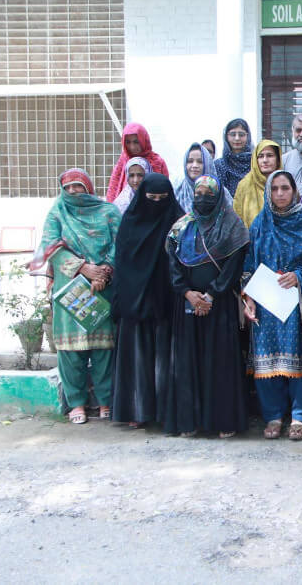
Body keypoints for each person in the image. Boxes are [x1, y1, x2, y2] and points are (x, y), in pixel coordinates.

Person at [29, 168, 120, 425]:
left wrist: (104, 272)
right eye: (67, 187)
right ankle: (77, 403)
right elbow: (51, 246)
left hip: (103, 287)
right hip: (69, 288)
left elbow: (120, 243)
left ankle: (105, 401)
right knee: (70, 351)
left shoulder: (109, 212)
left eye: (78, 186)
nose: (73, 191)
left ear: (88, 187)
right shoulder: (57, 212)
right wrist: (83, 268)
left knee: (103, 348)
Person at [163, 175, 250, 438]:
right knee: (188, 362)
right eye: (198, 193)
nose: (203, 198)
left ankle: (222, 420)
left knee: (220, 363)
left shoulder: (233, 226)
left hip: (220, 306)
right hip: (187, 305)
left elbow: (233, 266)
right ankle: (189, 421)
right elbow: (173, 264)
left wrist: (211, 294)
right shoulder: (181, 228)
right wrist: (188, 293)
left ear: (219, 196)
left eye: (209, 194)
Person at [242, 171, 302, 441]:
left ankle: (299, 416)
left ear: (295, 191)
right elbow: (249, 263)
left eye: (285, 188)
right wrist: (249, 297)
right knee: (267, 359)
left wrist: (298, 276)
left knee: (298, 356)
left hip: (297, 302)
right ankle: (273, 415)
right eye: (274, 189)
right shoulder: (260, 223)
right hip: (266, 301)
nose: (280, 194)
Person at [111, 173, 182, 428]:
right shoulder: (130, 222)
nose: (157, 204)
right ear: (142, 197)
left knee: (166, 361)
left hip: (167, 301)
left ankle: (165, 412)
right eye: (151, 198)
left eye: (162, 199)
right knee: (137, 358)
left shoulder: (178, 220)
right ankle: (137, 411)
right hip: (135, 301)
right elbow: (122, 262)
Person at [105, 123, 169, 203]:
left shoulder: (157, 162)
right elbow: (114, 187)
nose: (132, 147)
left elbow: (165, 190)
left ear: (144, 140)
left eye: (136, 142)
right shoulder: (123, 159)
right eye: (128, 142)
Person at [233, 139, 283, 227]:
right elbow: (236, 217)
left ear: (278, 160)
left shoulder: (285, 184)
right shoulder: (245, 184)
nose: (265, 160)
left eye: (270, 155)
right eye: (260, 156)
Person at [175, 142, 222, 214]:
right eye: (190, 161)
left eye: (200, 162)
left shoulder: (219, 192)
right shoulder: (178, 189)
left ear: (207, 164)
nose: (194, 165)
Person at [214, 118, 256, 196]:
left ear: (248, 136)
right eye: (233, 134)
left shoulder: (255, 163)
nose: (237, 138)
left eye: (241, 135)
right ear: (226, 137)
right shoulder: (218, 165)